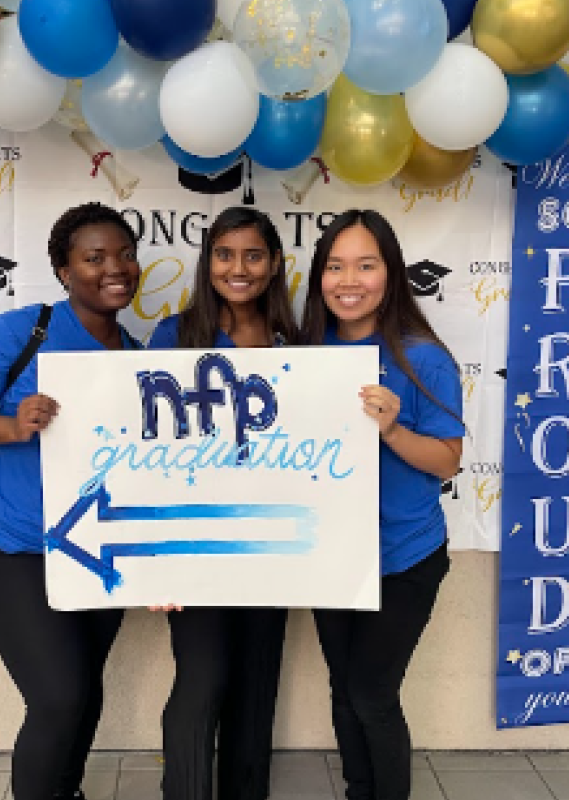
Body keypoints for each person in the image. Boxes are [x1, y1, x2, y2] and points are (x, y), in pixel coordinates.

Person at [0, 203, 141, 800]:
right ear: (63, 270)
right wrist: (13, 427)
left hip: (94, 548)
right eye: (94, 258)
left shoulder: (137, 356)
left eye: (124, 254)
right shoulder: (21, 332)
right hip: (14, 546)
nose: (114, 268)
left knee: (84, 690)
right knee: (58, 696)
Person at [300, 210, 464, 800]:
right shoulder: (304, 354)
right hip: (332, 558)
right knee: (344, 691)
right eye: (335, 265)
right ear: (319, 276)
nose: (350, 279)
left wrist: (393, 430)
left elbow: (448, 461)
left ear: (390, 275)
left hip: (404, 558)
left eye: (366, 265)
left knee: (371, 694)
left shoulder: (424, 358)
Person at [148, 206, 299, 800]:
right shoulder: (174, 336)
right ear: (207, 261)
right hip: (195, 544)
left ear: (275, 263)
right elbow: (144, 457)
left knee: (256, 688)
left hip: (275, 543)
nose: (238, 268)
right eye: (224, 254)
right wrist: (155, 557)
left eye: (253, 255)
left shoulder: (300, 340)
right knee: (202, 681)